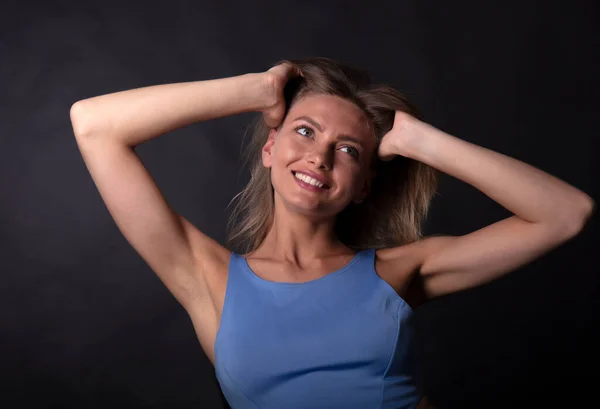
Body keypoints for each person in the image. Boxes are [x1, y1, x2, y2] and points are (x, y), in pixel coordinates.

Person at [70, 57, 594, 409]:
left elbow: (566, 213)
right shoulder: (205, 276)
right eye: (304, 132)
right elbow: (95, 125)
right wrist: (258, 90)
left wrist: (419, 141)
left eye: (348, 150)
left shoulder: (400, 270)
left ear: (364, 184)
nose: (320, 156)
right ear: (269, 150)